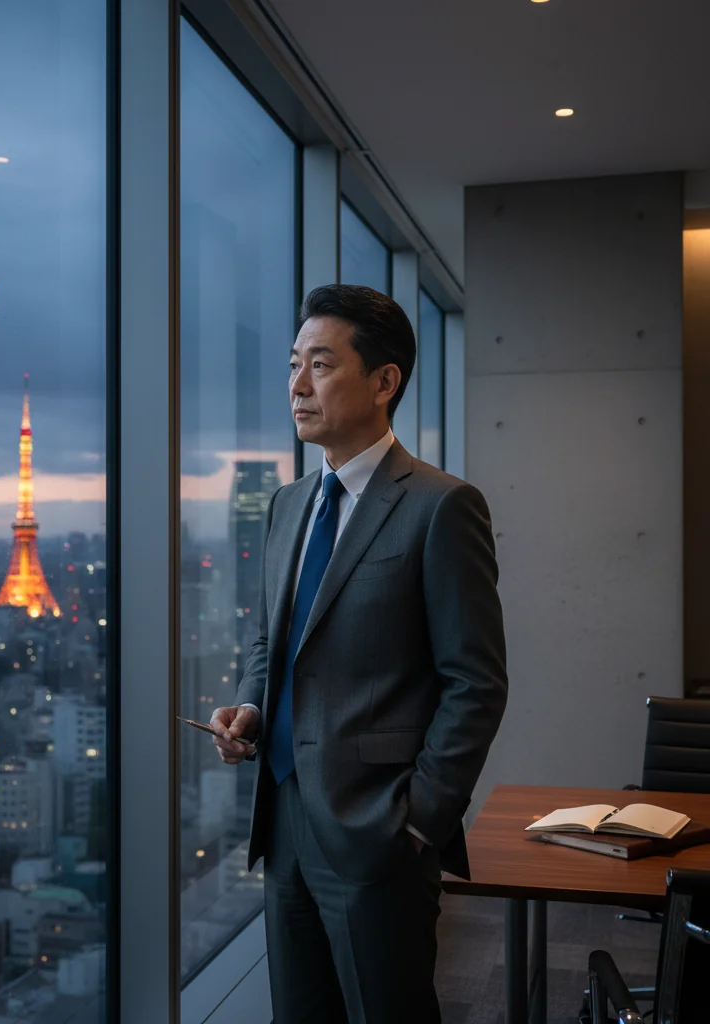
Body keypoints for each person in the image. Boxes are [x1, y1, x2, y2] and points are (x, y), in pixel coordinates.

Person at [210, 284, 508, 1023]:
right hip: (282, 824)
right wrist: (251, 708)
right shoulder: (286, 506)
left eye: (320, 364)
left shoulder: (441, 505)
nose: (297, 385)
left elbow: (475, 682)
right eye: (292, 365)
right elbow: (270, 642)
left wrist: (417, 825)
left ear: (384, 382)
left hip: (378, 832)